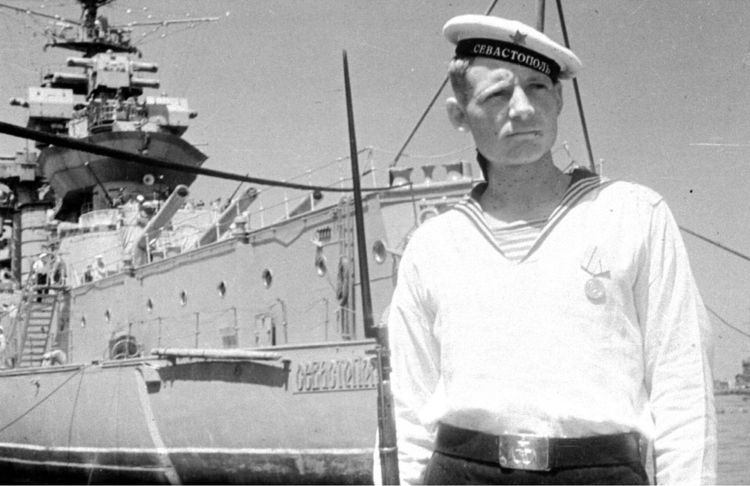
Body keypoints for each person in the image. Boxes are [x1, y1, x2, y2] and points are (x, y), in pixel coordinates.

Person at [386, 14, 716, 485]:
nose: (522, 109)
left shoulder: (634, 216)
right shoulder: (432, 247)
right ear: (459, 115)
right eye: (497, 94)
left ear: (559, 99)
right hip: (462, 473)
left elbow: (683, 389)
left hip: (599, 474)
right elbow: (409, 414)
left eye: (538, 87)